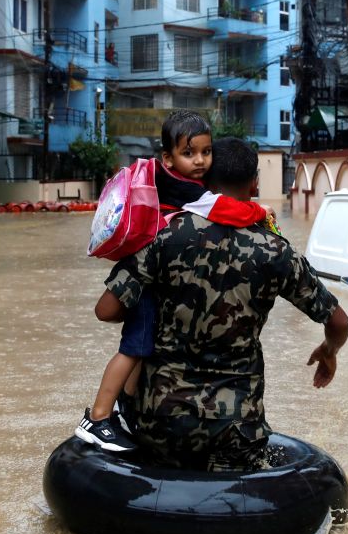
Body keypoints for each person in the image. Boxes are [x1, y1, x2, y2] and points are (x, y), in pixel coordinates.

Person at [94, 137, 348, 471]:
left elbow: (107, 310)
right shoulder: (276, 251)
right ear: (255, 183)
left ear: (203, 181)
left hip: (160, 423)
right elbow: (338, 321)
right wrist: (329, 351)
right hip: (237, 430)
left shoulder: (166, 235)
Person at [76, 113, 269, 452]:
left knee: (144, 345)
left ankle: (126, 407)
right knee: (133, 348)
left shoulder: (164, 175)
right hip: (148, 280)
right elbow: (230, 211)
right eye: (190, 153)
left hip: (148, 275)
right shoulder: (188, 191)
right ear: (169, 158)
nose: (199, 161)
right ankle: (98, 417)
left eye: (206, 153)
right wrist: (260, 213)